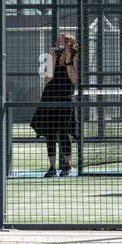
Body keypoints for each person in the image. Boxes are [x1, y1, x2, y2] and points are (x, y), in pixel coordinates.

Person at [30, 33, 80, 178]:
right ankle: (52, 167)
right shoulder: (54, 55)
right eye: (58, 40)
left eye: (62, 40)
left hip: (65, 98)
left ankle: (67, 165)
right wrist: (52, 58)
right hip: (50, 97)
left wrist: (69, 59)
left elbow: (74, 79)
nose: (58, 42)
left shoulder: (74, 55)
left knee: (63, 132)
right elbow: (49, 77)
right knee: (50, 133)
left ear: (69, 43)